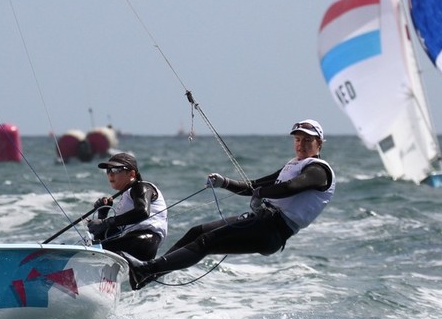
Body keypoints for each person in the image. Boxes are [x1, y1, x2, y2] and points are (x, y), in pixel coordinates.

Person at [123, 119, 335, 290]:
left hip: (273, 231)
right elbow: (254, 186)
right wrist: (224, 183)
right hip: (261, 222)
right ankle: (146, 275)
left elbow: (291, 187)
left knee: (206, 242)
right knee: (196, 231)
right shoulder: (294, 164)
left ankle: (146, 269)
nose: (301, 145)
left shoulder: (319, 171)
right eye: (298, 140)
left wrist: (260, 194)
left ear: (319, 143)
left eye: (308, 140)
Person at [87, 152, 168, 261]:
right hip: (134, 243)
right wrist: (103, 213)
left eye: (116, 170)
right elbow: (106, 237)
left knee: (93, 250)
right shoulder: (127, 199)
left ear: (132, 174)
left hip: (143, 241)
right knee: (97, 247)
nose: (111, 174)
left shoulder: (141, 186)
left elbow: (142, 212)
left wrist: (106, 222)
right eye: (108, 170)